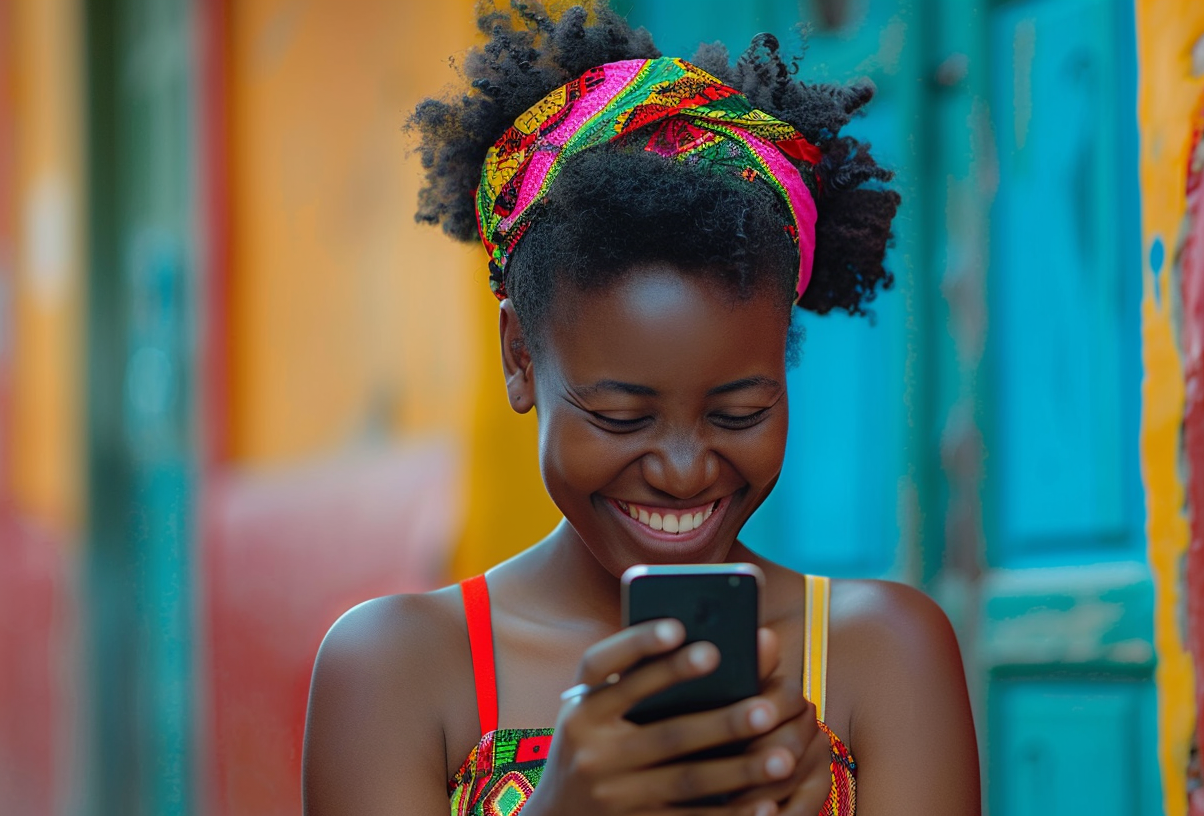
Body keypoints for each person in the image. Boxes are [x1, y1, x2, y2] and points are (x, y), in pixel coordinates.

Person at [302, 4, 980, 815]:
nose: (685, 470)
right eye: (622, 418)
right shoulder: (396, 669)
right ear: (521, 357)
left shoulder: (883, 655)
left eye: (738, 414)